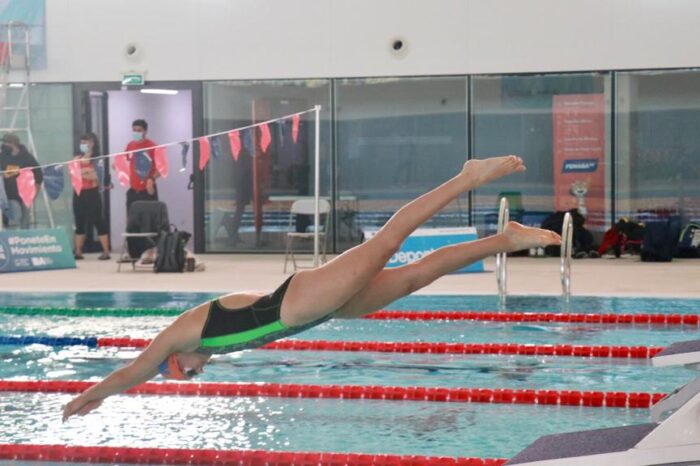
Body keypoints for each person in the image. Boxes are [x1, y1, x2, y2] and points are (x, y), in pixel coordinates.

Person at [62, 155, 561, 421]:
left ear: (176, 361)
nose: (193, 376)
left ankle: (465, 176)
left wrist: (93, 394)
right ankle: (504, 239)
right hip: (317, 311)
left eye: (184, 376)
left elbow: (135, 370)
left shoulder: (184, 333)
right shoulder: (206, 346)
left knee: (388, 243)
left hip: (298, 302)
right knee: (414, 276)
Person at [72, 133, 111, 260]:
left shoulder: (97, 159)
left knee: (98, 221)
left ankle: (105, 251)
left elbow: (96, 177)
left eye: (86, 142)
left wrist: (82, 172)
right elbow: (73, 174)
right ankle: (78, 251)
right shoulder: (76, 158)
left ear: (92, 143)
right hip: (78, 193)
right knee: (79, 222)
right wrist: (86, 172)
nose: (83, 144)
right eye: (82, 142)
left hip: (92, 193)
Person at [0, 132, 43, 229]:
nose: (3, 145)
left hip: (26, 194)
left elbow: (38, 175)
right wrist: (4, 175)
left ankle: (24, 240)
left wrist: (35, 193)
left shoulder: (27, 157)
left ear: (12, 143)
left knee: (26, 219)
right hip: (10, 195)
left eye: (5, 143)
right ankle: (12, 241)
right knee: (15, 217)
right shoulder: (3, 156)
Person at [125, 119, 159, 211]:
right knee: (132, 222)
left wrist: (151, 179)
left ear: (145, 131)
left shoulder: (152, 146)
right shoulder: (130, 145)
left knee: (149, 222)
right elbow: (126, 160)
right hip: (133, 190)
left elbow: (160, 169)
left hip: (147, 190)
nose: (136, 132)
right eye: (134, 130)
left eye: (139, 130)